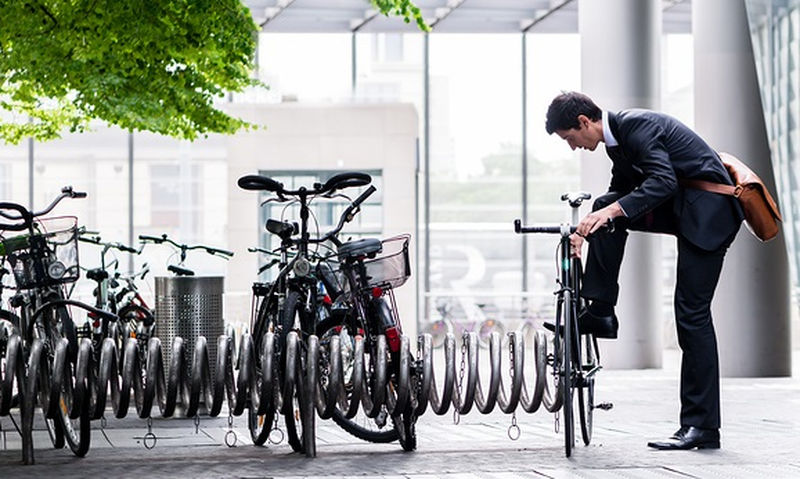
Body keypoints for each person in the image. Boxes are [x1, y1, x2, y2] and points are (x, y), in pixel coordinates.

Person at [545, 91, 743, 450]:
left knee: (692, 316)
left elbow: (663, 181)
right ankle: (601, 311)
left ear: (584, 122)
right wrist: (586, 230)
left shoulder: (637, 126)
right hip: (686, 208)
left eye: (570, 138)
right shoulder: (616, 141)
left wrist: (607, 213)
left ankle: (702, 427)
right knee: (605, 208)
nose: (573, 147)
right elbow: (618, 194)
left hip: (710, 214)